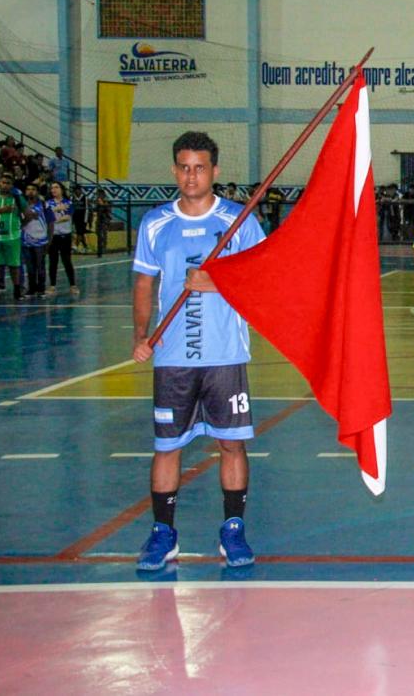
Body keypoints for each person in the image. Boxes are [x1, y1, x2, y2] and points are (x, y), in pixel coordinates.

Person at [130, 132, 267, 571]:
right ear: (174, 170)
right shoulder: (154, 223)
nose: (192, 175)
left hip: (225, 354)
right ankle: (163, 533)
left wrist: (220, 280)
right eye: (184, 167)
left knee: (231, 444)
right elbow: (144, 284)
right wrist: (141, 334)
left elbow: (264, 277)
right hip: (173, 359)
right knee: (167, 446)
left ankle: (233, 530)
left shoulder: (239, 220)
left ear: (215, 171)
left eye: (200, 167)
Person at [0, 175, 25, 302]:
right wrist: (1, 210)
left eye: (8, 183)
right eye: (3, 182)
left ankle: (17, 290)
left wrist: (20, 227)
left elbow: (27, 213)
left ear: (12, 185)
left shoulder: (17, 198)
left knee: (14, 265)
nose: (5, 185)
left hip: (12, 237)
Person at [44, 182, 77, 296]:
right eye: (52, 188)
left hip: (65, 235)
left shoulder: (68, 202)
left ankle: (73, 285)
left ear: (62, 189)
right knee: (53, 261)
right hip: (53, 236)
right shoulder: (48, 203)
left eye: (56, 187)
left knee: (67, 261)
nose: (54, 190)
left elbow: (67, 217)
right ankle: (52, 286)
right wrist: (57, 209)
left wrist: (54, 218)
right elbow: (46, 217)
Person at [20, 184, 49, 298]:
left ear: (37, 192)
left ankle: (41, 289)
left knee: (40, 265)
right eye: (28, 189)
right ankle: (31, 289)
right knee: (30, 267)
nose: (30, 191)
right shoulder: (21, 205)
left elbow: (50, 222)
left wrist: (49, 239)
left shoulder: (43, 204)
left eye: (33, 189)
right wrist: (29, 216)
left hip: (40, 239)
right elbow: (23, 219)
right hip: (26, 239)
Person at [93, 188, 112, 257]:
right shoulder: (97, 201)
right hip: (98, 219)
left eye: (99, 194)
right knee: (98, 232)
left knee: (103, 233)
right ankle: (100, 246)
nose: (98, 196)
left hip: (104, 219)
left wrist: (103, 204)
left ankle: (103, 247)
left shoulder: (106, 201)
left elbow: (108, 210)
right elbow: (95, 209)